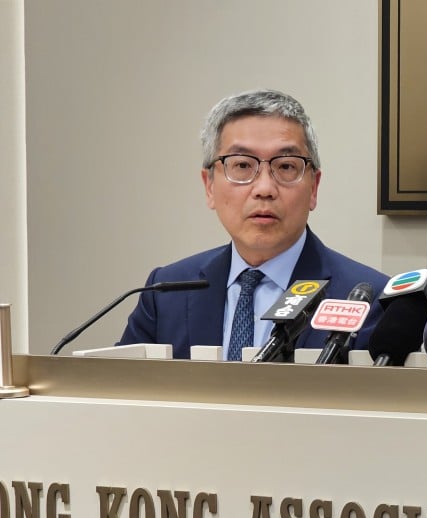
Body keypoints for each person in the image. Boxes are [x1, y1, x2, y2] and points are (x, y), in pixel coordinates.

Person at [120, 89, 389, 360]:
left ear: (314, 188)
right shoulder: (166, 292)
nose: (264, 188)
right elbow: (122, 393)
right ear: (209, 186)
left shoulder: (368, 299)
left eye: (285, 167)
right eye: (242, 166)